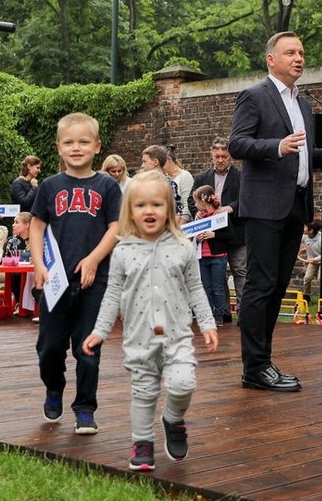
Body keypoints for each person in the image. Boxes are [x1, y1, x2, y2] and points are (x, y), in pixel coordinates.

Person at [229, 31, 322, 392]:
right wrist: (276, 146)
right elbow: (237, 144)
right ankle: (254, 367)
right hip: (263, 208)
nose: (299, 58)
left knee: (277, 287)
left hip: (295, 207)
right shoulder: (254, 95)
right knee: (259, 285)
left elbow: (302, 154)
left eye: (301, 52)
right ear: (271, 59)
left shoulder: (302, 104)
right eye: (290, 52)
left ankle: (263, 361)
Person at [81, 171, 218, 472]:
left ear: (168, 208)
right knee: (143, 393)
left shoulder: (182, 246)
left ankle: (172, 418)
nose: (149, 211)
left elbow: (196, 288)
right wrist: (99, 331)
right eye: (141, 205)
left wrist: (207, 324)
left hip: (178, 334)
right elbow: (112, 294)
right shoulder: (122, 251)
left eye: (156, 204)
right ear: (130, 211)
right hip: (138, 338)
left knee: (183, 383)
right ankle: (142, 442)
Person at [30, 113, 121, 436]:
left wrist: (95, 259)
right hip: (55, 282)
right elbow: (37, 225)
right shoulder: (50, 187)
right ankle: (54, 387)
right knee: (50, 347)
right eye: (69, 142)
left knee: (88, 347)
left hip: (94, 282)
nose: (76, 147)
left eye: (84, 142)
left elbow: (116, 227)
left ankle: (85, 408)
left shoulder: (107, 186)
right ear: (58, 147)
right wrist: (39, 264)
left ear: (97, 146)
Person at [187, 136, 246, 322]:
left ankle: (244, 314)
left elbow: (246, 198)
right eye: (217, 156)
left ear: (231, 157)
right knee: (217, 276)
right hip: (212, 237)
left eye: (224, 156)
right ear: (212, 155)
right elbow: (191, 199)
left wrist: (230, 208)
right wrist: (197, 211)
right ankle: (223, 312)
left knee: (240, 271)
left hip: (235, 232)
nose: (220, 160)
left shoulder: (241, 176)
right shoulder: (201, 178)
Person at [191, 185, 232, 326]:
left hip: (218, 256)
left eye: (196, 202)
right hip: (202, 256)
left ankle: (219, 315)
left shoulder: (220, 215)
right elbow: (192, 234)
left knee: (218, 287)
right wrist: (198, 237)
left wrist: (214, 235)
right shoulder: (199, 218)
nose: (195, 205)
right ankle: (208, 313)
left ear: (203, 201)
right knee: (206, 287)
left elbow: (229, 234)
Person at [140, 145, 186, 222]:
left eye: (145, 161)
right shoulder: (141, 185)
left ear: (155, 162)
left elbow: (177, 212)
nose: (142, 165)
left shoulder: (169, 184)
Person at [300, 220, 322, 300]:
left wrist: (316, 259)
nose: (304, 228)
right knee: (307, 278)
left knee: (320, 278)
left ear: (311, 230)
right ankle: (306, 296)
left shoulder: (321, 239)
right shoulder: (305, 236)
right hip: (313, 261)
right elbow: (295, 241)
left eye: (305, 227)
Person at [163, 145, 193, 213]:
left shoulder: (185, 176)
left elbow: (187, 207)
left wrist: (179, 223)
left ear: (169, 159)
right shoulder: (164, 178)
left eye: (161, 162)